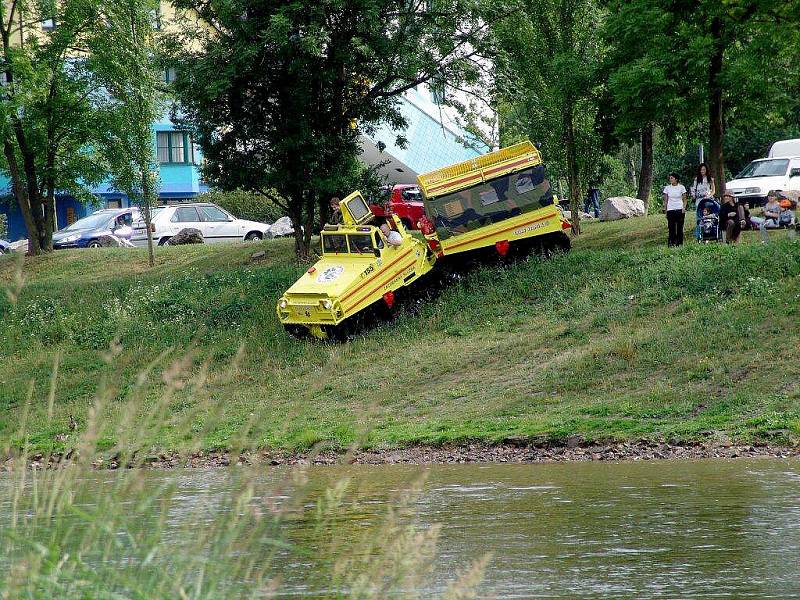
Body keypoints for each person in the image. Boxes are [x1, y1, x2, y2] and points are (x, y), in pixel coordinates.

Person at [662, 173, 687, 246]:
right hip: (670, 209)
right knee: (671, 227)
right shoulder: (667, 188)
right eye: (670, 178)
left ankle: (679, 243)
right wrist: (666, 211)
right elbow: (666, 200)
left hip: (679, 208)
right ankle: (671, 243)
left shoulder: (681, 187)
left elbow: (685, 199)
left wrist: (684, 208)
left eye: (672, 178)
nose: (670, 179)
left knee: (680, 228)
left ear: (676, 179)